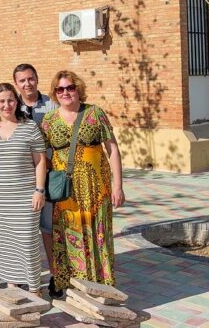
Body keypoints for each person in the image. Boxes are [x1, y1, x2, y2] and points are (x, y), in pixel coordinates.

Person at [40, 70, 125, 296]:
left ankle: (100, 285)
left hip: (97, 188)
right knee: (68, 234)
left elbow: (112, 149)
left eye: (70, 88)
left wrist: (118, 185)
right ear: (55, 93)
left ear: (78, 89)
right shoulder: (48, 121)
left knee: (97, 235)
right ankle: (69, 284)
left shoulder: (94, 113)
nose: (66, 92)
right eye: (60, 89)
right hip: (66, 192)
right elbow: (39, 155)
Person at [0, 83, 47, 293]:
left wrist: (39, 190)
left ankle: (34, 289)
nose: (7, 105)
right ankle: (12, 286)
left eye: (11, 100)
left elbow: (40, 161)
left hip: (25, 197)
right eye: (2, 101)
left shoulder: (30, 126)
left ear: (17, 102)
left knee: (27, 242)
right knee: (4, 243)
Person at [13, 63, 57, 290]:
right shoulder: (12, 106)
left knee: (48, 229)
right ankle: (22, 276)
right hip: (21, 178)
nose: (27, 84)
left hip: (47, 175)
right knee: (23, 229)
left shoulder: (51, 105)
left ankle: (55, 275)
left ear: (37, 79)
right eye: (22, 80)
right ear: (16, 84)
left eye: (30, 79)